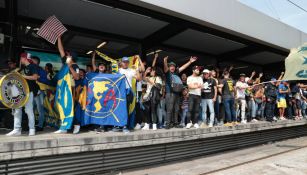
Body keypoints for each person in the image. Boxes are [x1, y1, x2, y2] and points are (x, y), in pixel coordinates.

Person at [6, 53, 39, 136]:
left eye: (21, 58)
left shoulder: (33, 66)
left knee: (29, 110)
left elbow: (35, 77)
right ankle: (17, 129)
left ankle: (32, 129)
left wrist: (23, 76)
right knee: (17, 109)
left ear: (25, 58)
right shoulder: (22, 68)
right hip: (20, 92)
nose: (20, 59)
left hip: (29, 92)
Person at [54, 36, 80, 134]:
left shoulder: (75, 66)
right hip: (62, 89)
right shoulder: (65, 63)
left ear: (72, 57)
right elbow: (61, 50)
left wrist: (70, 67)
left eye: (68, 55)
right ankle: (64, 127)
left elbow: (77, 77)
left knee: (70, 107)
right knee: (62, 107)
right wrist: (59, 38)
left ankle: (76, 125)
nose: (66, 56)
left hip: (71, 89)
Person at [163, 56, 197, 129]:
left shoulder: (175, 73)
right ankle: (168, 123)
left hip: (177, 93)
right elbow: (165, 68)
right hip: (170, 93)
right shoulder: (167, 73)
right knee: (169, 109)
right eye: (171, 66)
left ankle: (175, 123)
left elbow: (183, 67)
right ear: (169, 67)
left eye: (173, 66)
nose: (172, 67)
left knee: (176, 109)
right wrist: (165, 61)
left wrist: (190, 62)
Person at [119, 56, 144, 133]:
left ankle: (125, 126)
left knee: (126, 109)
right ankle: (119, 125)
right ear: (121, 63)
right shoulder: (118, 70)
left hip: (128, 91)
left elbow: (139, 79)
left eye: (127, 62)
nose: (125, 63)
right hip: (120, 92)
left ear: (128, 63)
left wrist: (136, 70)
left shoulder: (131, 70)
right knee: (120, 109)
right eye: (124, 62)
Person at [31, 56, 48, 131]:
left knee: (39, 109)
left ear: (35, 61)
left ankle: (40, 126)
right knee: (31, 109)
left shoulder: (41, 70)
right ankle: (32, 124)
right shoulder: (31, 69)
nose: (30, 61)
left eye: (32, 60)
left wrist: (38, 77)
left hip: (40, 91)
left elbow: (45, 80)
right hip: (32, 91)